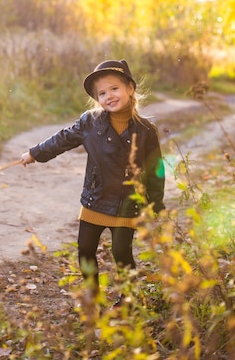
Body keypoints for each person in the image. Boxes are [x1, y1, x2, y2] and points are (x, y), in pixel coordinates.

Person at [21, 59, 165, 296]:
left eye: (114, 89)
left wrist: (155, 203)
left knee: (121, 253)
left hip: (127, 202)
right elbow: (63, 139)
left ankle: (127, 300)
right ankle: (92, 295)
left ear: (130, 88)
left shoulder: (146, 129)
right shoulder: (91, 122)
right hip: (96, 198)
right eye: (102, 93)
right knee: (85, 250)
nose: (109, 95)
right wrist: (35, 153)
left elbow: (156, 168)